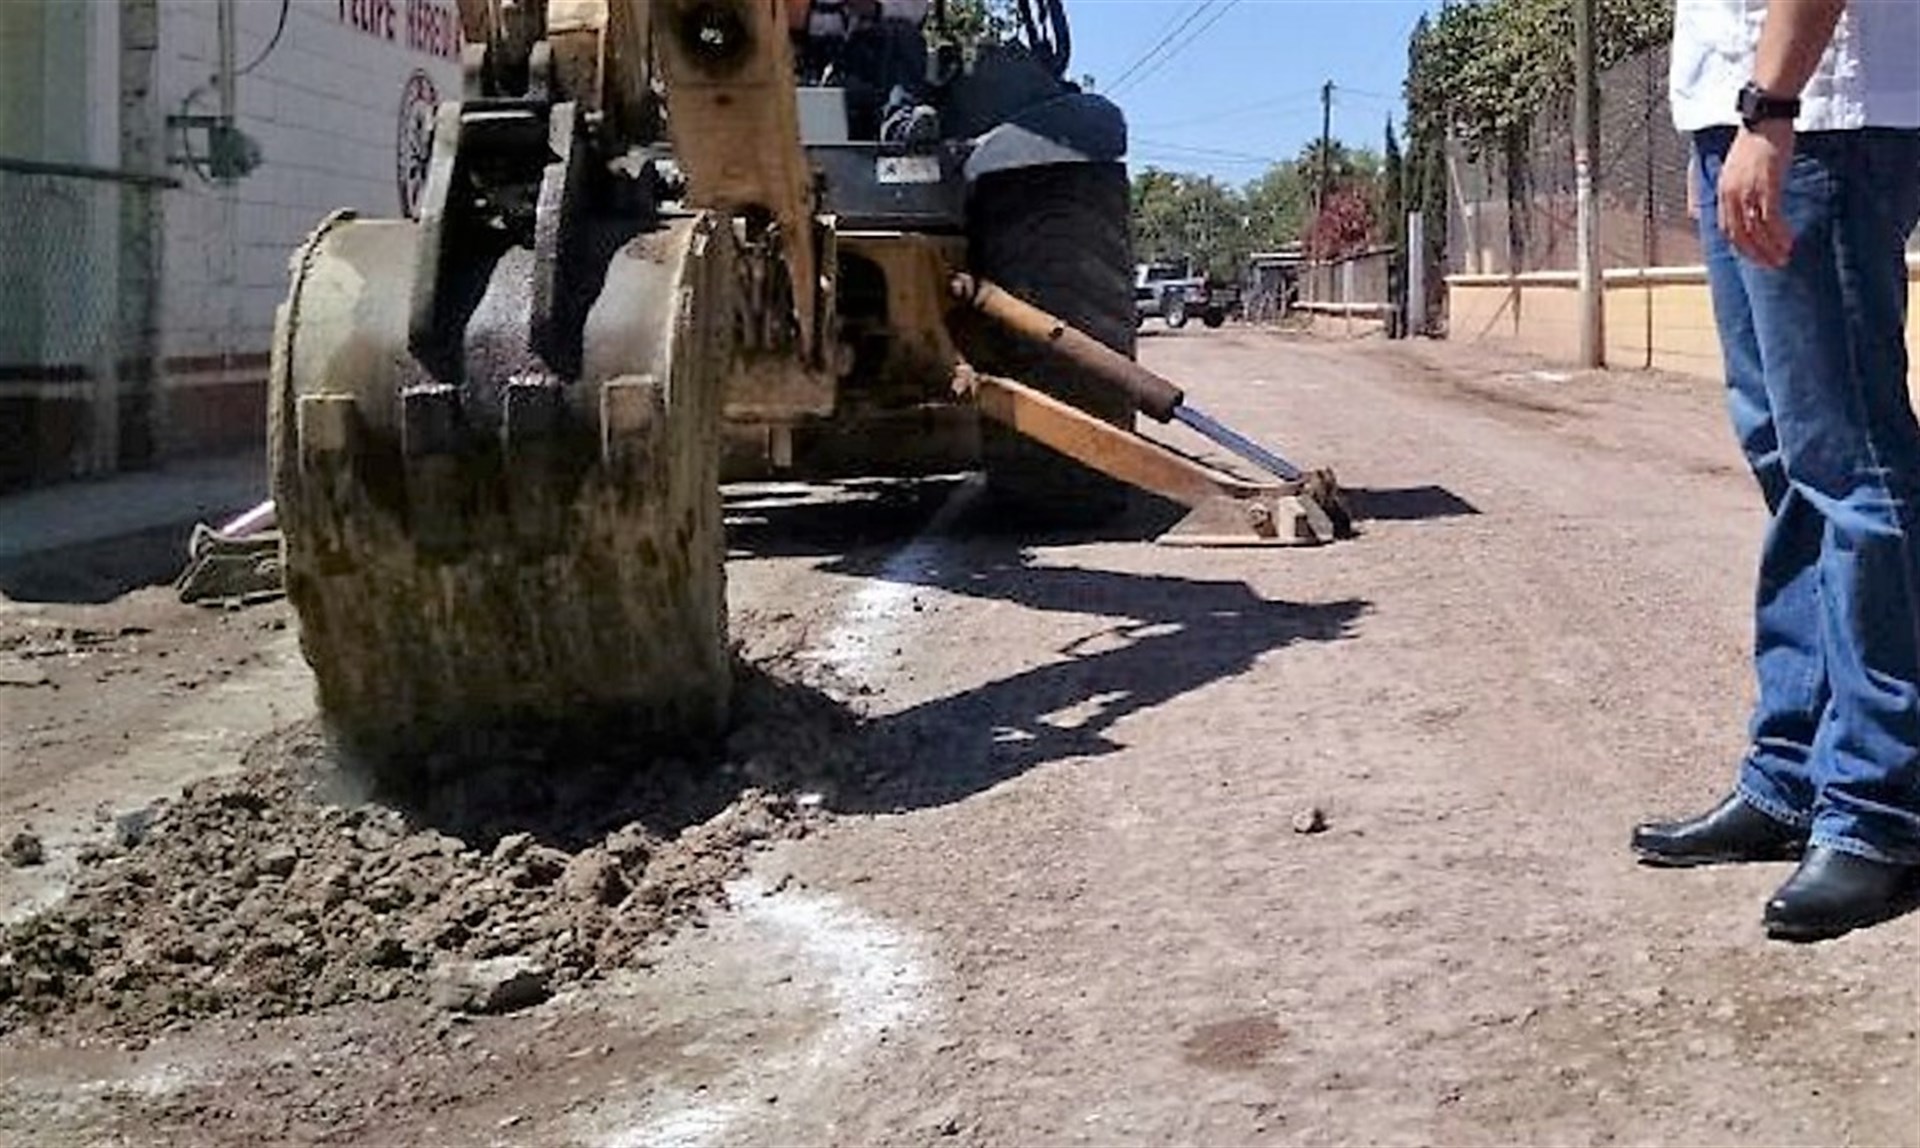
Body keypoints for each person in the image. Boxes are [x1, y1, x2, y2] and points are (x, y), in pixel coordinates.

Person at [1632, 0, 1920, 942]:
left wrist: (1769, 108)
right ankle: (1791, 775)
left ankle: (1881, 808)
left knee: (1854, 462)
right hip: (1754, 114)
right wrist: (1715, 131)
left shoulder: (1794, 112)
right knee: (1790, 463)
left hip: (1819, 116)